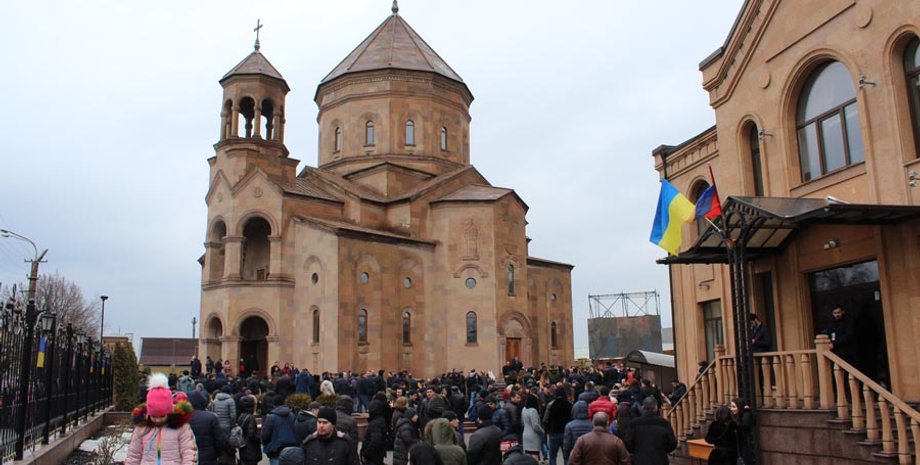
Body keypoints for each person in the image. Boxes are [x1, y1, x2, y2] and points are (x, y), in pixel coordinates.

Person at [125, 373, 197, 465]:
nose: (158, 420)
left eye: (162, 416)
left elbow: (189, 452)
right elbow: (133, 455)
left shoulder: (180, 426)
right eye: (154, 416)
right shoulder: (142, 426)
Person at [625, 396, 677, 465]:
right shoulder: (664, 423)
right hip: (660, 460)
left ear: (643, 407)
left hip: (639, 460)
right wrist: (662, 450)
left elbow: (628, 443)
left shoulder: (633, 423)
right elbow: (672, 443)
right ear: (656, 408)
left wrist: (637, 451)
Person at [188, 390, 223, 465]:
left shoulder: (183, 418)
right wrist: (218, 454)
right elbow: (219, 439)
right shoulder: (211, 417)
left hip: (190, 456)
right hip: (209, 456)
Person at [261, 399, 298, 465]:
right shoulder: (292, 415)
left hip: (275, 451)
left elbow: (265, 435)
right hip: (291, 449)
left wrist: (266, 444)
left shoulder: (271, 417)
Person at [543, 387, 572, 465]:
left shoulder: (551, 404)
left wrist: (548, 429)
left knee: (553, 455)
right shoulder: (569, 404)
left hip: (554, 432)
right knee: (566, 456)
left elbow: (545, 419)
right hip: (565, 433)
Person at [361, 399, 389, 465]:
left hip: (373, 458)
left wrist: (366, 453)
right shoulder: (380, 420)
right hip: (377, 455)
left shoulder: (375, 424)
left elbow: (376, 441)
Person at [237, 395, 262, 465]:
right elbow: (252, 434)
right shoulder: (251, 418)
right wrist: (259, 437)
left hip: (243, 448)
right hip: (251, 450)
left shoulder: (241, 416)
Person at [731, 398, 755, 465]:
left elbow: (744, 425)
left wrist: (746, 411)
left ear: (740, 407)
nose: (731, 409)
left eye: (734, 407)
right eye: (731, 406)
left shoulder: (744, 417)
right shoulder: (734, 417)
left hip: (742, 452)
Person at [520, 395, 544, 460]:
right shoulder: (533, 411)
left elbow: (522, 422)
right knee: (534, 455)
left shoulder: (524, 409)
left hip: (525, 433)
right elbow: (535, 425)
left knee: (527, 455)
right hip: (533, 436)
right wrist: (542, 432)